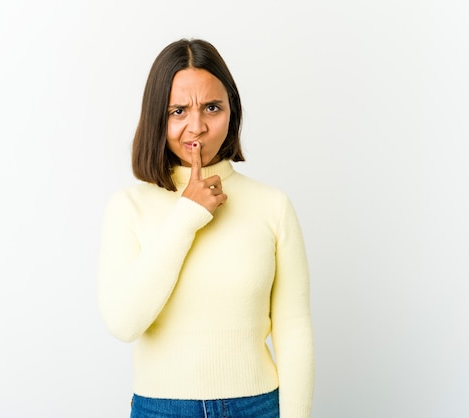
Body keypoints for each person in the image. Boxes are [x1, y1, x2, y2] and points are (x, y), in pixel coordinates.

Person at [97, 38, 314, 418]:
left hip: (257, 407)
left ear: (232, 110)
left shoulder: (272, 205)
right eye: (178, 110)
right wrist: (187, 214)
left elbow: (294, 330)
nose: (196, 127)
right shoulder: (128, 206)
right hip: (160, 409)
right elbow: (124, 322)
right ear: (156, 118)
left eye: (211, 107)